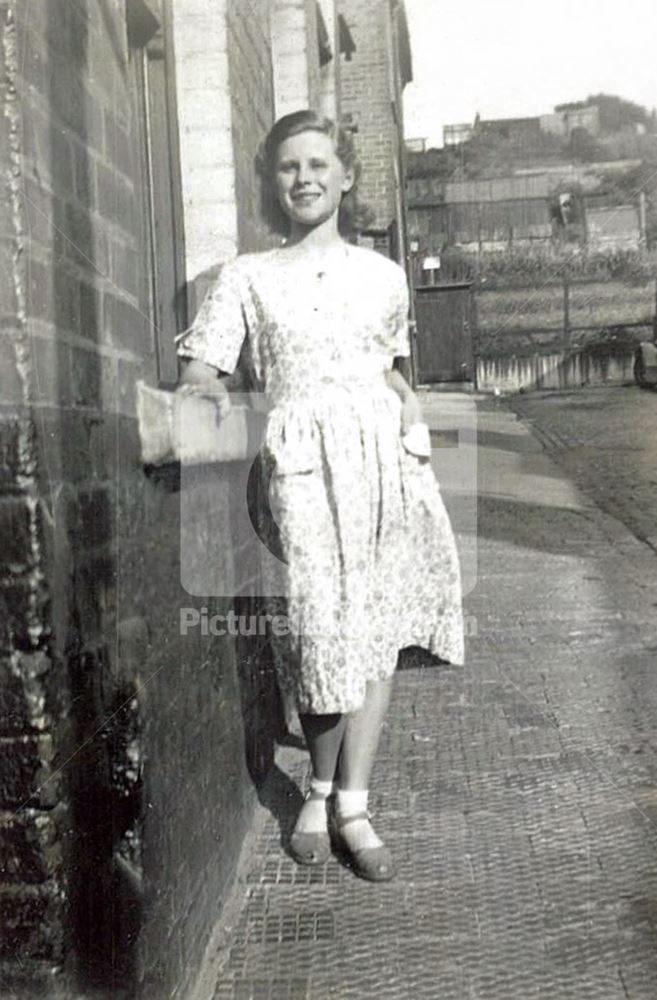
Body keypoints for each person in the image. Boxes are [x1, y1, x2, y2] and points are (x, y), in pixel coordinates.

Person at [176, 110, 464, 882]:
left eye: (318, 164)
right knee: (314, 631)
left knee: (374, 625)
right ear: (273, 182)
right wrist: (198, 393)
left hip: (382, 464)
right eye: (288, 166)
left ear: (343, 177)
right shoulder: (247, 275)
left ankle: (350, 803)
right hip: (299, 466)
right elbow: (206, 366)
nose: (304, 177)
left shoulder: (383, 275)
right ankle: (318, 787)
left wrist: (408, 408)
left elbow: (391, 368)